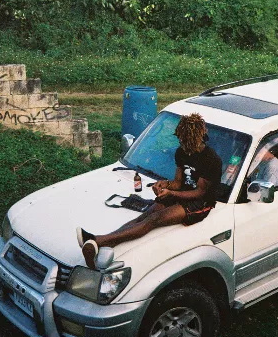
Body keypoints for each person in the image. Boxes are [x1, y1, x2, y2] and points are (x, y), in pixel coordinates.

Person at [76, 113, 222, 269]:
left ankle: (97, 241)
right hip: (182, 194)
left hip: (200, 203)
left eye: (186, 141)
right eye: (180, 139)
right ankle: (101, 242)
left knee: (155, 219)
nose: (182, 144)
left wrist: (171, 193)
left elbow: (199, 193)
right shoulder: (181, 152)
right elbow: (178, 183)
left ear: (196, 138)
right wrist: (163, 185)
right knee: (145, 215)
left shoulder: (210, 159)